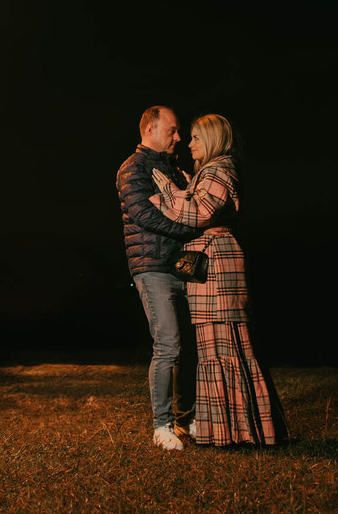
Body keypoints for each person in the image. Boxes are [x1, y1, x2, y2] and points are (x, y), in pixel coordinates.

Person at [149, 113, 289, 447]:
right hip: (210, 262)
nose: (189, 142)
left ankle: (240, 430)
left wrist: (168, 191)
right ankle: (226, 429)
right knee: (215, 344)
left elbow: (199, 212)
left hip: (218, 264)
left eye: (196, 137)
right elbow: (201, 201)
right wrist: (187, 185)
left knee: (224, 340)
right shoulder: (211, 172)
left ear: (211, 140)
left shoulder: (219, 169)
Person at [116, 106, 202, 451]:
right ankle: (162, 425)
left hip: (183, 266)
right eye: (173, 130)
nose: (178, 137)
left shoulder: (175, 169)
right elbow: (145, 215)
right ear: (150, 129)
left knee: (191, 348)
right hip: (152, 266)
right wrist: (192, 227)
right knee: (168, 345)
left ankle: (187, 420)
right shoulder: (132, 169)